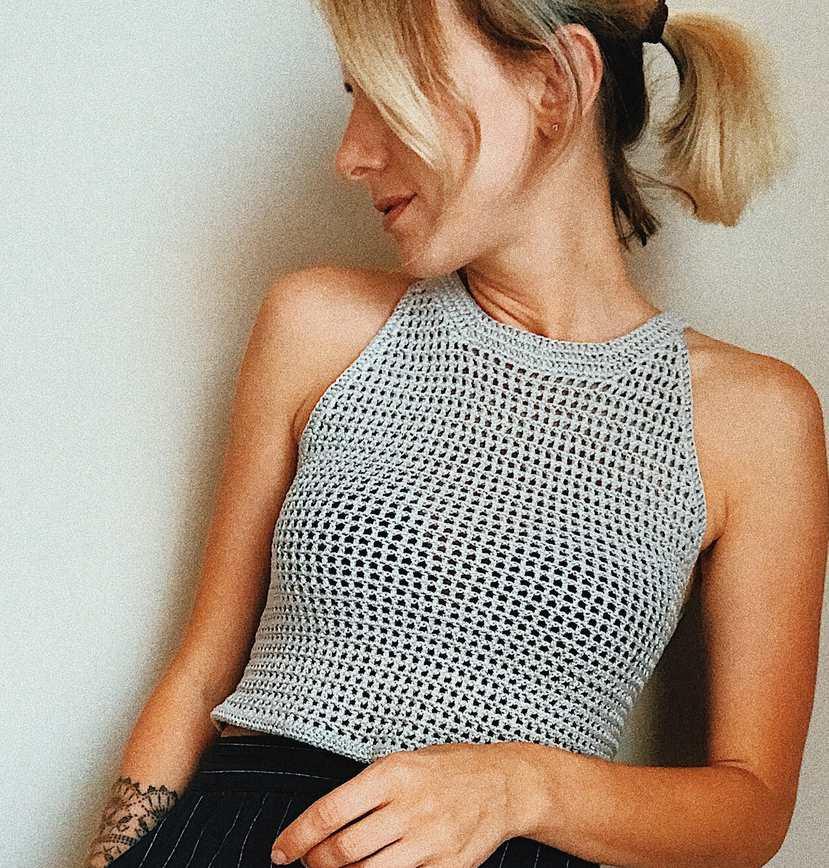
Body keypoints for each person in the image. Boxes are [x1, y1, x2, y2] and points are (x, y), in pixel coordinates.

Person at [84, 0, 827, 866]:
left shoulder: (755, 416)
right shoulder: (318, 324)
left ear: (554, 85)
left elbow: (750, 808)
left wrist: (517, 787)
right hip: (241, 838)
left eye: (391, 95)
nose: (351, 154)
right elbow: (202, 673)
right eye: (353, 97)